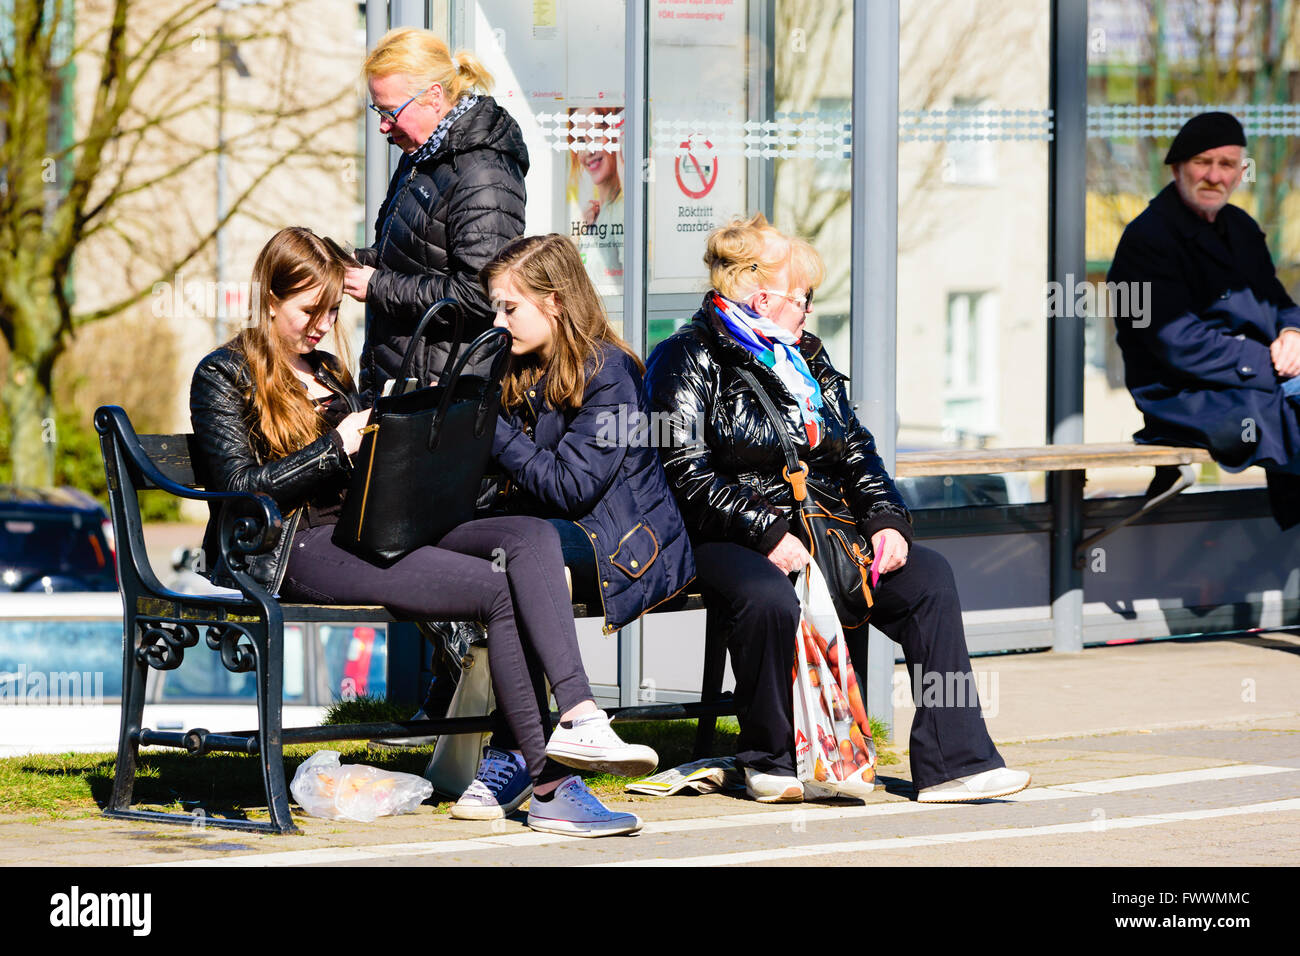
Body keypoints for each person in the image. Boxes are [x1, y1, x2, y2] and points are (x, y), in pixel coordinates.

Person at [189, 227, 654, 837]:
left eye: (332, 311)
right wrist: (335, 448)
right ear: (269, 299)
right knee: (495, 588)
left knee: (527, 540)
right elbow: (241, 489)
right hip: (291, 546)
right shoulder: (224, 374)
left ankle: (579, 714)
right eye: (309, 311)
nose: (323, 326)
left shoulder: (327, 368)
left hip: (368, 528)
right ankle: (548, 784)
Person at [642, 213, 1030, 804]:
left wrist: (885, 521)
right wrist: (767, 530)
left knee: (929, 579)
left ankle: (955, 762)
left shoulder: (806, 358)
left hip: (826, 529)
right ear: (760, 292)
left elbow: (857, 452)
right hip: (724, 533)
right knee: (768, 595)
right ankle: (767, 758)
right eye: (802, 297)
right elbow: (685, 471)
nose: (807, 310)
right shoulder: (686, 356)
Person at [481, 233, 695, 636]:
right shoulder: (517, 365)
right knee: (456, 541)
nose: (498, 323)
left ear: (555, 303)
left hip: (621, 542)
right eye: (495, 309)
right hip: (557, 525)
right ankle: (470, 682)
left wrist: (492, 428)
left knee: (520, 548)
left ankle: (558, 694)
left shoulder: (610, 372)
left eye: (510, 309)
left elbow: (570, 486)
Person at [1107, 111, 1300, 528]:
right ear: (1177, 167)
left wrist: (1292, 332)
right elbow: (1176, 341)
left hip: (1255, 384)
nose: (1215, 176)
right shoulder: (1147, 239)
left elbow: (1278, 300)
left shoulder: (1242, 228)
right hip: (1188, 397)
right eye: (1203, 162)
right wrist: (1268, 361)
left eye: (1227, 164)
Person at [345, 27, 528, 393]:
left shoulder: (484, 173)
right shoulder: (423, 154)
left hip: (446, 391)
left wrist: (377, 285)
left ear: (433, 97)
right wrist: (351, 261)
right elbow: (411, 254)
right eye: (377, 110)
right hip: (406, 378)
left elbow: (479, 294)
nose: (383, 125)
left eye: (390, 111)